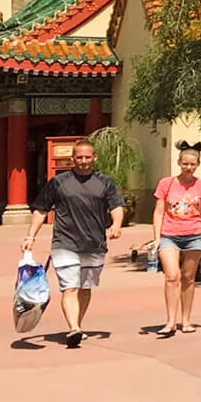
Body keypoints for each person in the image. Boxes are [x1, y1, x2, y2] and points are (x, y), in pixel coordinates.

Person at [22, 137, 125, 348]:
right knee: (69, 286)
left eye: (88, 157)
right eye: (79, 157)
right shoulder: (58, 183)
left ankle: (78, 324)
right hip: (65, 242)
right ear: (73, 159)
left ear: (94, 158)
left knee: (85, 287)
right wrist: (30, 235)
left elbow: (116, 206)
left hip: (94, 244)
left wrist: (116, 224)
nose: (84, 161)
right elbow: (41, 210)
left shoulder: (106, 182)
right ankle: (74, 328)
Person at [151, 142, 201, 336]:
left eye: (192, 164)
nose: (188, 167)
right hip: (169, 235)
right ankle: (170, 322)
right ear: (179, 162)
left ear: (197, 165)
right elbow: (159, 212)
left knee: (188, 277)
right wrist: (156, 237)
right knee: (172, 276)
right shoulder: (166, 183)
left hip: (194, 235)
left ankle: (186, 320)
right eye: (185, 163)